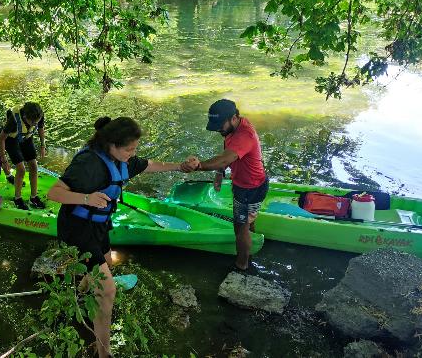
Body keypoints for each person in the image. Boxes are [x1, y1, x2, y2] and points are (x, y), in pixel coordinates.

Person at [47, 116, 198, 358]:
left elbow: (148, 165)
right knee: (108, 290)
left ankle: (81, 293)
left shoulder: (121, 158)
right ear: (112, 145)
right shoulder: (88, 164)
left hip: (99, 226)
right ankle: (103, 352)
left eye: (135, 148)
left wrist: (180, 166)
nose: (133, 153)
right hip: (77, 230)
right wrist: (86, 198)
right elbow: (53, 192)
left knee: (106, 262)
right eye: (129, 149)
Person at [193, 99, 268, 271]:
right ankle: (252, 240)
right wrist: (220, 173)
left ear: (234, 118)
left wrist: (198, 165)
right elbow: (227, 149)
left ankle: (241, 265)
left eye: (220, 125)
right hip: (247, 184)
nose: (219, 129)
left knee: (240, 229)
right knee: (246, 222)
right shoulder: (234, 127)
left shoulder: (245, 135)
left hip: (250, 188)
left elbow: (226, 157)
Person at [0, 102, 46, 210]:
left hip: (26, 138)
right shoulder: (13, 121)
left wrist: (43, 145)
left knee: (34, 166)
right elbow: (1, 139)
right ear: (25, 117)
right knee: (21, 169)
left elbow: (40, 129)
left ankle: (33, 197)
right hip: (11, 139)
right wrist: (4, 158)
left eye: (36, 122)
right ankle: (17, 198)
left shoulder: (39, 116)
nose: (35, 124)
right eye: (32, 122)